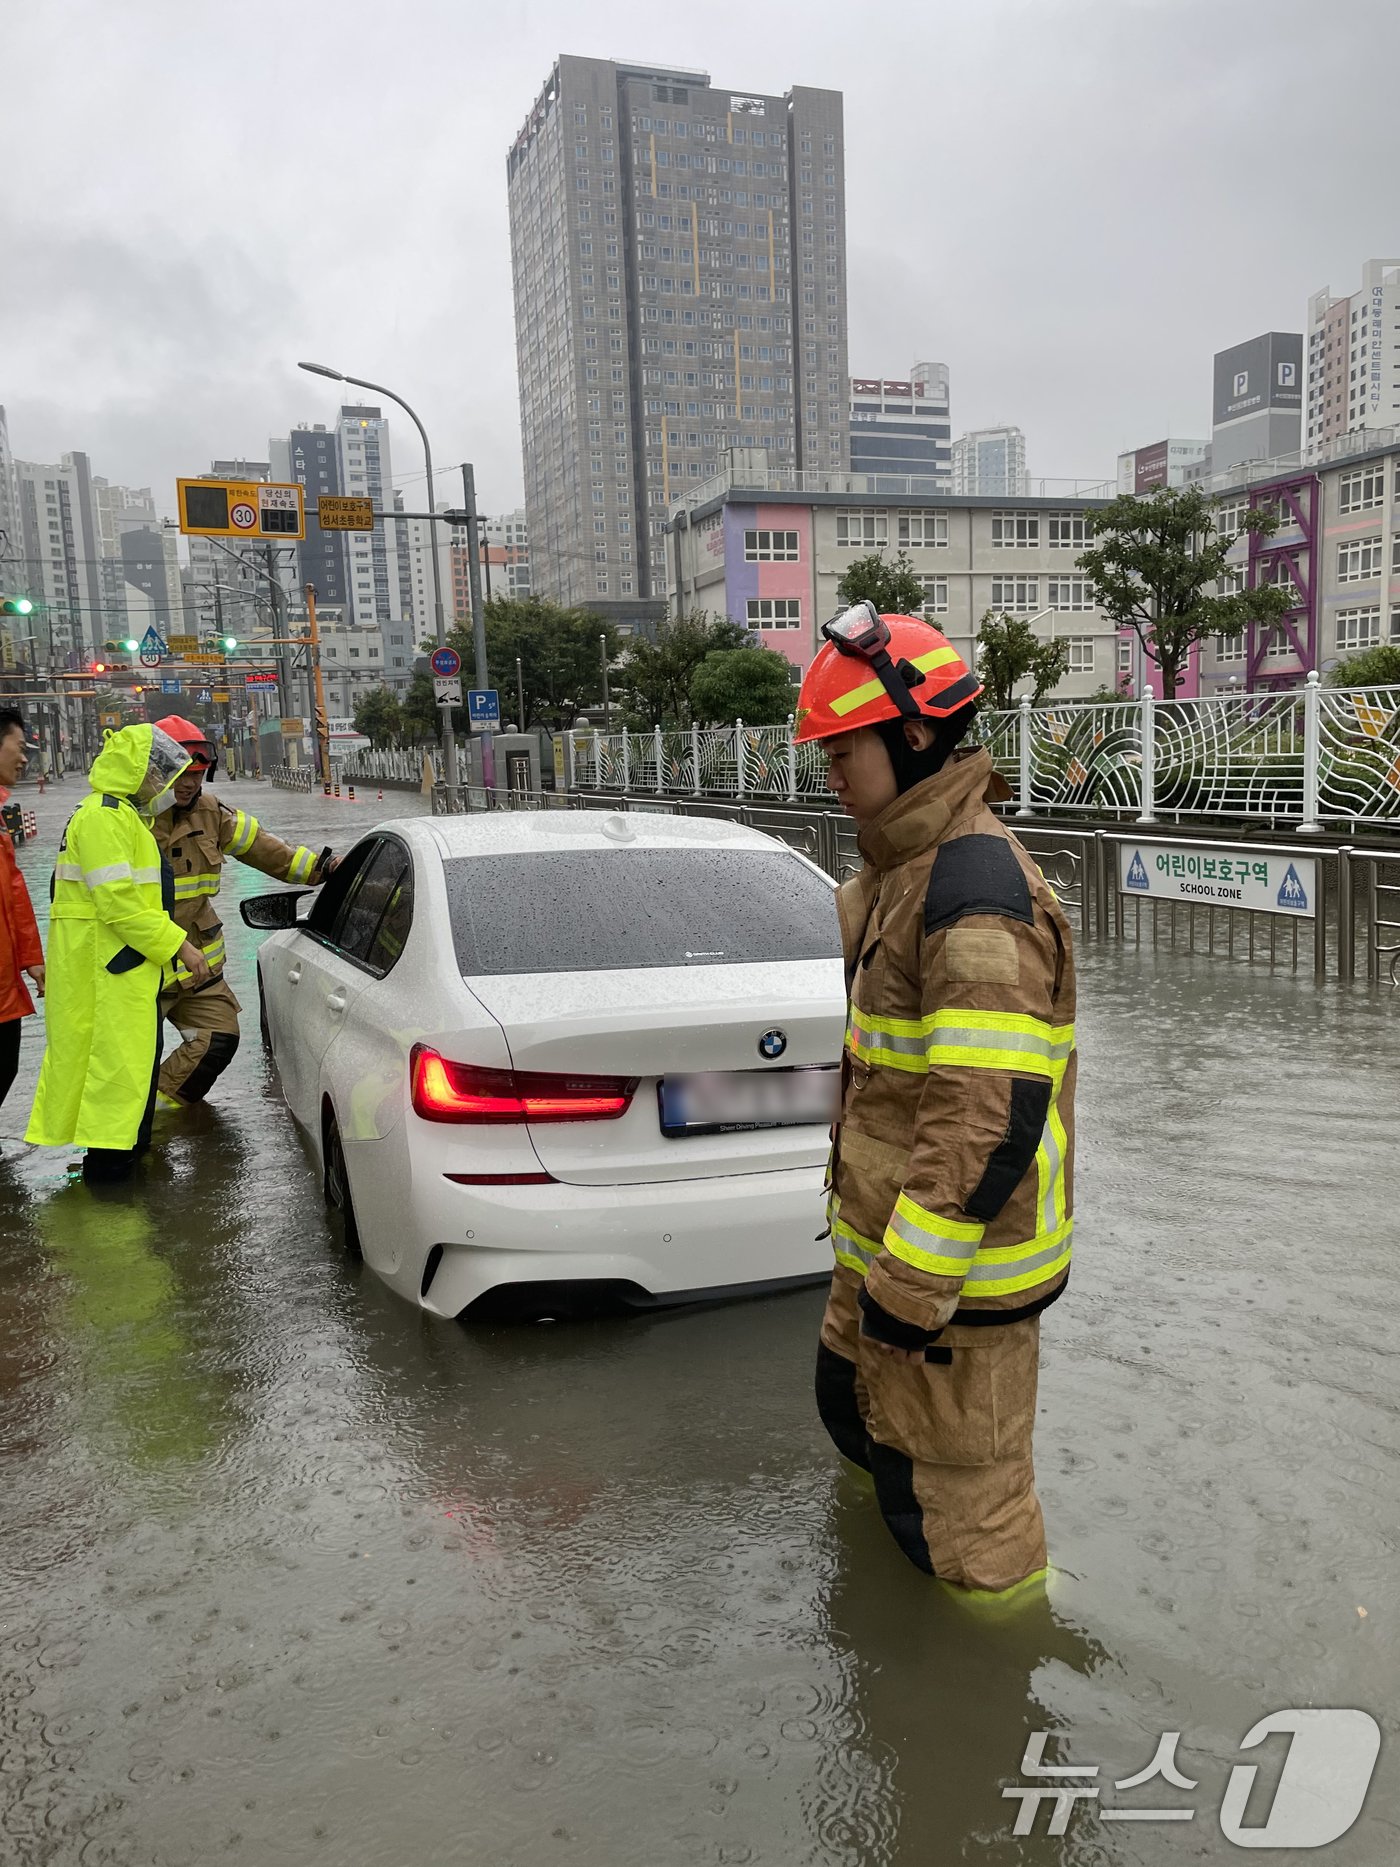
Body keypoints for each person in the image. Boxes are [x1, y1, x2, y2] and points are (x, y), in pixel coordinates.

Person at [798, 603, 1077, 1598]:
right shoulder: (896, 872)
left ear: (914, 735)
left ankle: (990, 1717)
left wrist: (907, 1295)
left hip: (950, 1289)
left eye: (843, 747)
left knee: (969, 1534)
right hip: (881, 1263)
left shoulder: (970, 891)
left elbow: (984, 1114)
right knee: (855, 1428)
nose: (826, 768)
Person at [26, 723, 210, 1183]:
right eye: (158, 772)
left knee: (126, 1077)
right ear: (136, 770)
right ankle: (109, 1201)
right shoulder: (104, 818)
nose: (164, 782)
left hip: (120, 970)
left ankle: (118, 1183)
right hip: (107, 974)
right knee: (114, 1078)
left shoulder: (122, 816)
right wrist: (180, 945)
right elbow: (119, 904)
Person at [148, 715, 335, 1109]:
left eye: (197, 775)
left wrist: (324, 868)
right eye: (180, 774)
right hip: (137, 970)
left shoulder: (211, 812)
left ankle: (160, 1117)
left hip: (193, 968)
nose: (189, 784)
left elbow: (267, 849)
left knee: (219, 1039)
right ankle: (128, 1135)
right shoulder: (126, 818)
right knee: (131, 1062)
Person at [0, 709, 45, 1116]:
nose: (25, 758)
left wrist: (31, 959)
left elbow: (14, 894)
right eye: (19, 746)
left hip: (5, 982)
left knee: (6, 1068)